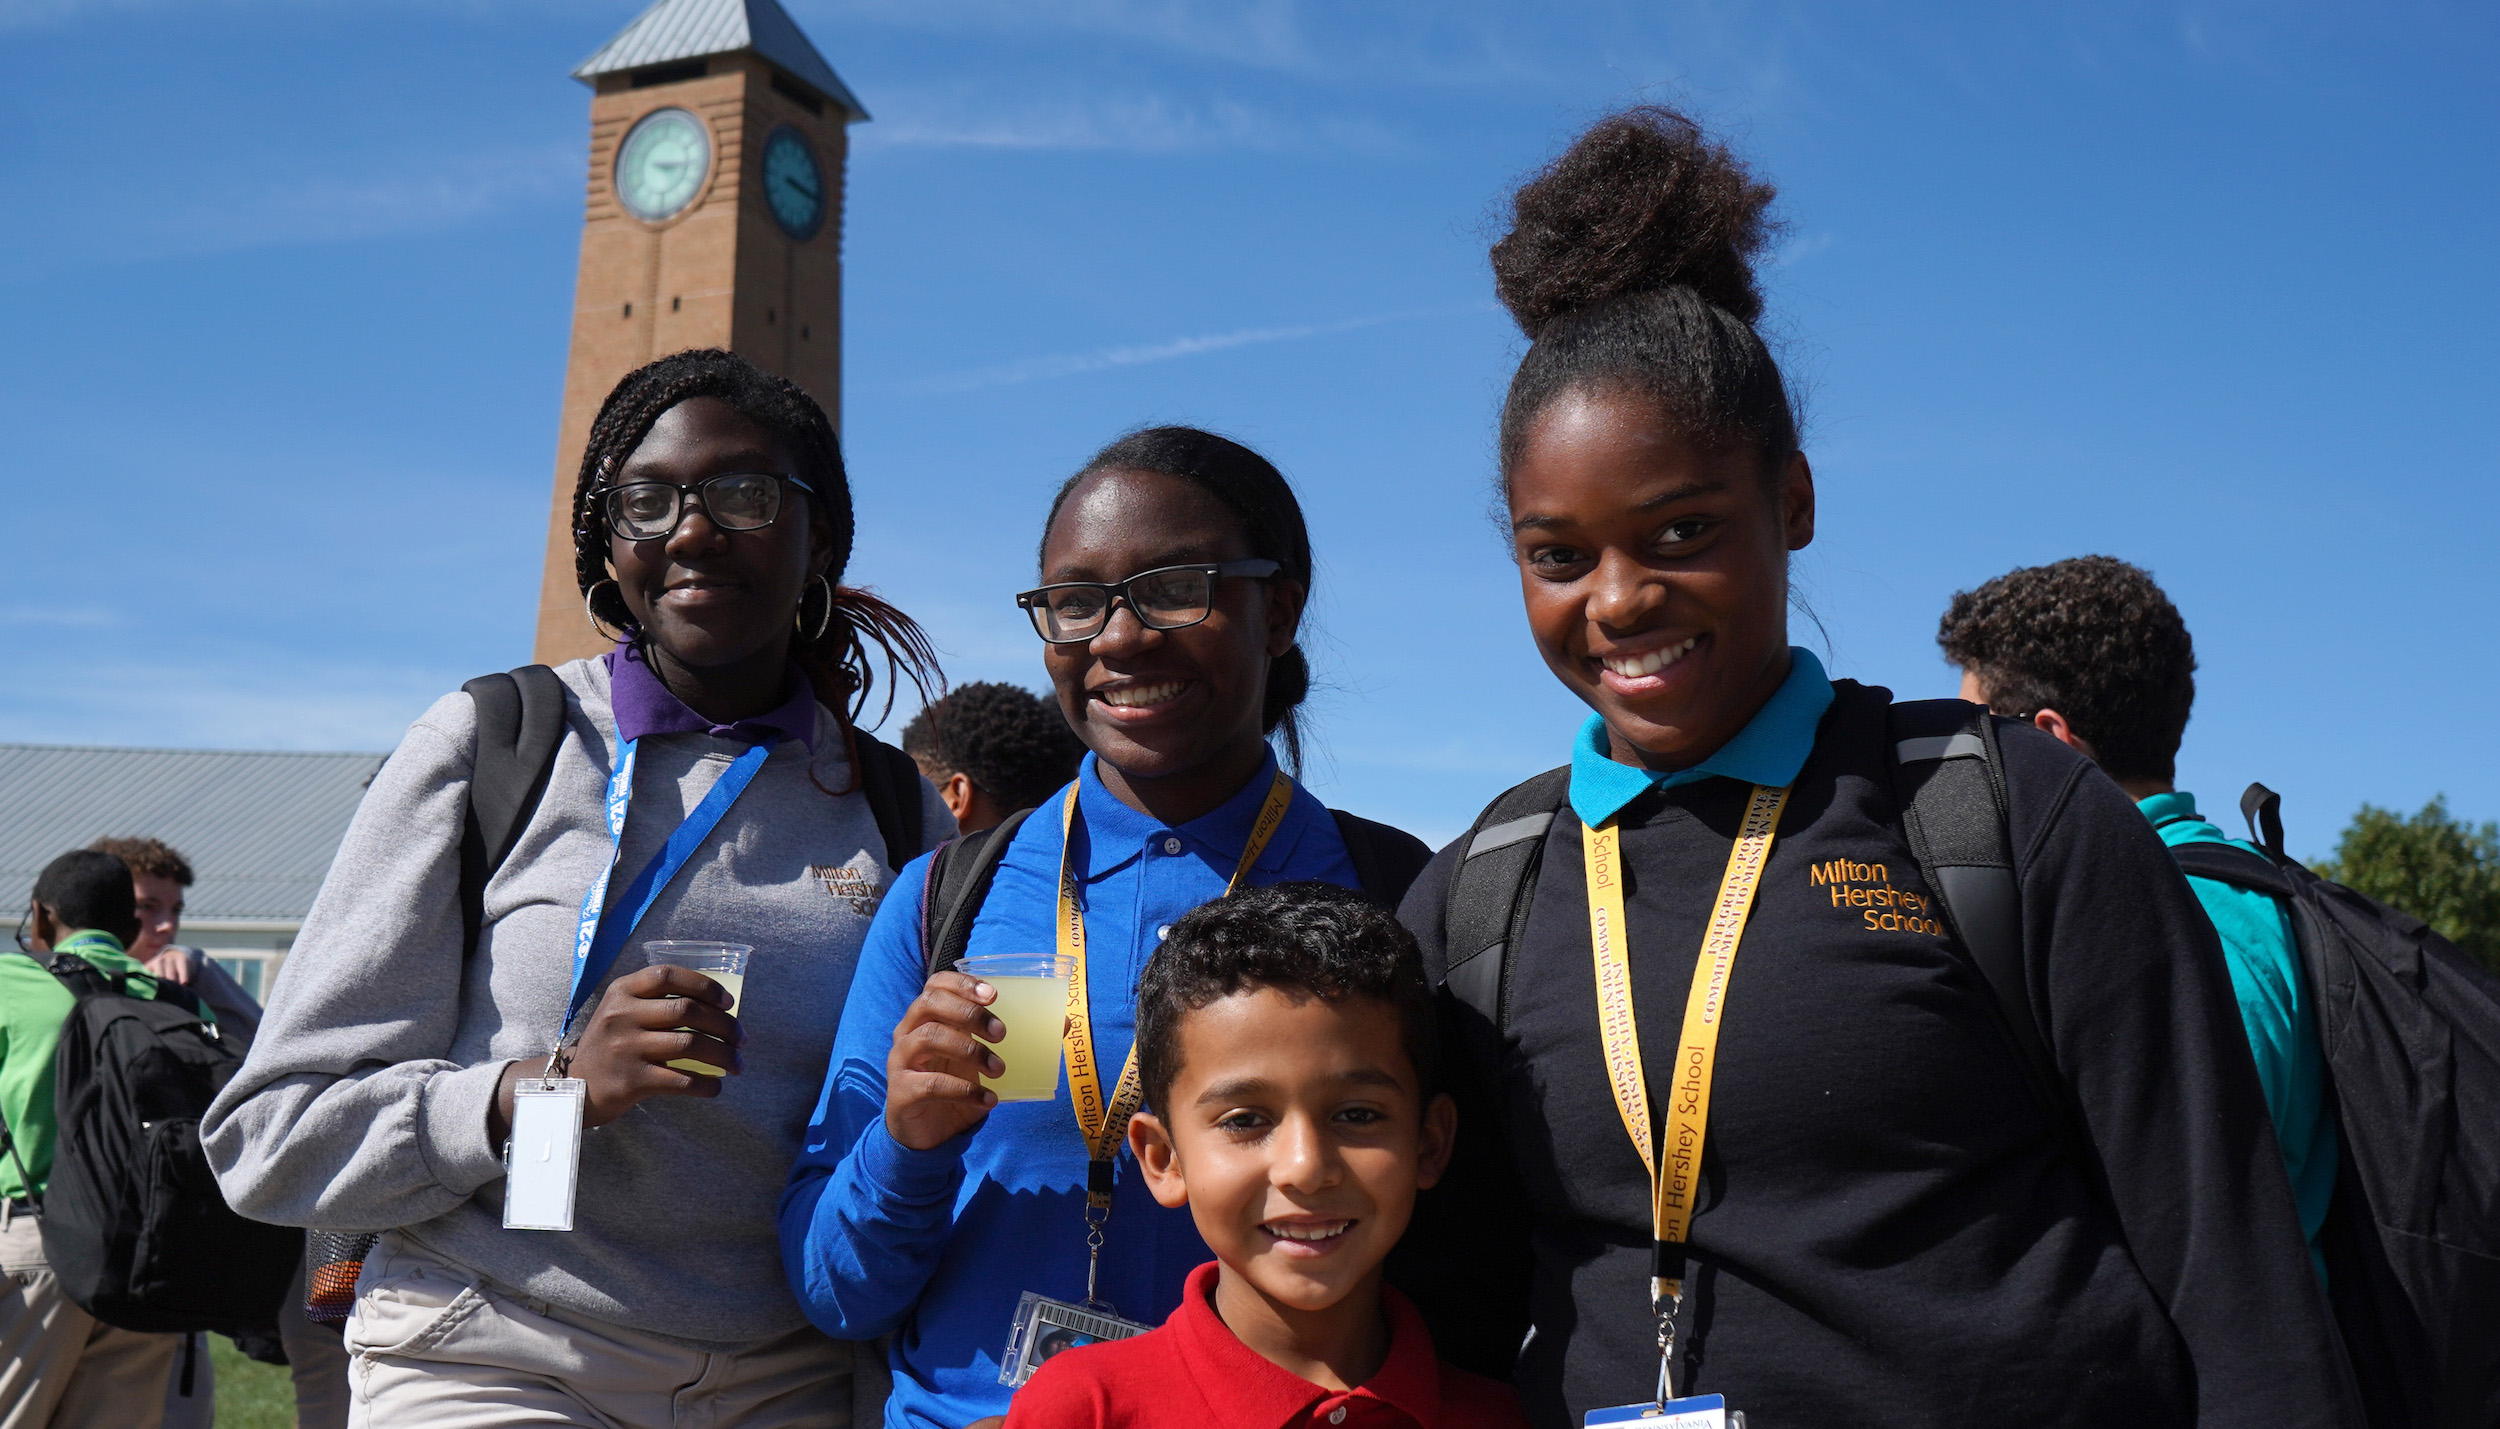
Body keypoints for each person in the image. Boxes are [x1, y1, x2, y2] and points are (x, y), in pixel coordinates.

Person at [1390, 106, 2358, 1427]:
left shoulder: (1995, 810)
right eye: (1559, 554)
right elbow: (1428, 1317)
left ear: (1791, 500)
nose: (1617, 600)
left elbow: (2238, 1290)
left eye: (1680, 530)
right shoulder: (1478, 896)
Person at [201, 349, 952, 1428]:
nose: (691, 532)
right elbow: (269, 1134)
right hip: (495, 1344)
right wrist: (531, 1090)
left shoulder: (894, 805)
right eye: (647, 501)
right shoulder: (498, 743)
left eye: (742, 494)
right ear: (609, 544)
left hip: (786, 1377)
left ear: (818, 535)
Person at [780, 426, 1432, 1429]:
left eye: (1177, 587)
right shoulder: (941, 899)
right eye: (1076, 602)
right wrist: (906, 1143)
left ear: (1280, 610)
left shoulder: (1395, 894)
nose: (1120, 637)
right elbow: (837, 1291)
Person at [1938, 554, 2337, 1281]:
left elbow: (2184, 1227)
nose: (1952, 778)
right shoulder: (2248, 898)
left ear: (2049, 743)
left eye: (1973, 742)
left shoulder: (2159, 925)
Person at [1005, 883, 1528, 1429]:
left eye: (1356, 1115)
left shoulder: (1503, 1417)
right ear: (1164, 1159)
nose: (1305, 1167)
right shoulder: (1084, 1409)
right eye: (1246, 1121)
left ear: (1429, 1142)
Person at [2, 850, 185, 1429]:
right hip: (151, 1260)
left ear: (40, 918)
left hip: (42, 1241)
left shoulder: (11, 984)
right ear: (131, 930)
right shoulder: (177, 1003)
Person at [86, 837, 261, 1051]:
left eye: (176, 910)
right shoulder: (59, 978)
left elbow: (266, 1046)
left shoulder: (188, 980)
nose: (168, 925)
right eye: (147, 906)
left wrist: (197, 967)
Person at [902, 681, 1086, 835]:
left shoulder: (917, 876)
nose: (898, 806)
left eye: (915, 793)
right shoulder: (1072, 868)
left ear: (956, 797)